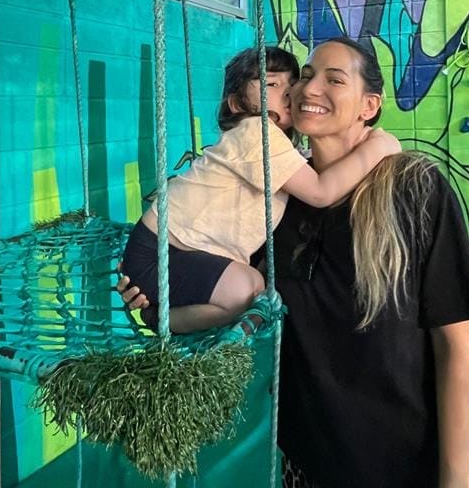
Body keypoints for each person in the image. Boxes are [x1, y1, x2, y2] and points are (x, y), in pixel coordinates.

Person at [119, 38, 469, 488]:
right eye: (306, 76)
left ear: (369, 106)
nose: (307, 89)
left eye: (334, 79)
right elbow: (229, 298)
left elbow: (454, 345)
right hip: (306, 455)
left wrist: (457, 480)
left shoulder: (415, 188)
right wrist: (155, 297)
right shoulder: (274, 203)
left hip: (397, 459)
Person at [122, 45, 400, 335]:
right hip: (162, 252)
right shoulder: (256, 132)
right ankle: (161, 319)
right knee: (250, 290)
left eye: (292, 83)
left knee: (255, 290)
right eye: (271, 85)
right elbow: (320, 193)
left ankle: (166, 317)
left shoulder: (280, 149)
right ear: (236, 104)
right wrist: (379, 146)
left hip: (183, 252)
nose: (290, 92)